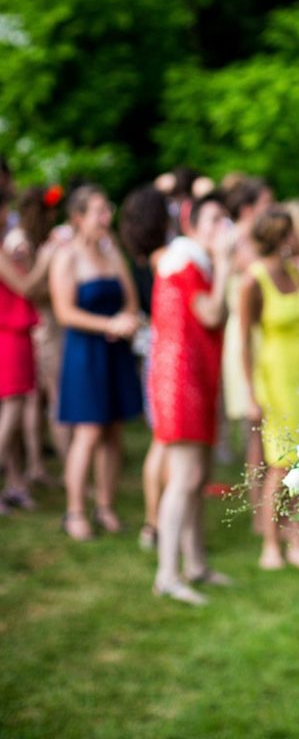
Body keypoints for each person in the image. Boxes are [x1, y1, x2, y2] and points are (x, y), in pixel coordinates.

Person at [150, 194, 235, 605]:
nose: (224, 227)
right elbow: (212, 314)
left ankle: (196, 564)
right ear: (193, 225)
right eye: (215, 219)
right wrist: (224, 263)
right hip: (180, 380)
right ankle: (167, 574)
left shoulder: (194, 263)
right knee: (183, 477)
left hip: (196, 377)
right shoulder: (184, 263)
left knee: (197, 477)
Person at [51, 185, 144, 541]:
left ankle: (105, 506)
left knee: (114, 430)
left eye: (108, 210)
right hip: (85, 353)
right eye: (99, 212)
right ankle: (74, 511)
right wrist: (109, 324)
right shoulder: (67, 257)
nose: (107, 218)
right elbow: (64, 312)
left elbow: (131, 300)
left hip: (115, 351)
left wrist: (127, 319)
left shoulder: (112, 253)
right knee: (88, 432)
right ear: (78, 218)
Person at [241, 208, 299, 571]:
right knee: (279, 464)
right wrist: (250, 393)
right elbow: (244, 342)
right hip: (276, 377)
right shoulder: (254, 280)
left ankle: (297, 541)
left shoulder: (297, 273)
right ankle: (270, 544)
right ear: (282, 237)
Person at [118, 185, 172, 552]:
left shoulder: (134, 259)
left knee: (161, 439)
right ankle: (156, 520)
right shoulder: (162, 261)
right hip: (165, 351)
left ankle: (158, 519)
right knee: (164, 441)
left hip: (154, 350)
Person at [0, 199, 61, 512]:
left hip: (16, 335)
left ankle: (16, 484)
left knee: (14, 409)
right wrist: (46, 260)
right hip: (10, 336)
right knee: (13, 408)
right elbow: (24, 287)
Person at [223, 177, 272, 531]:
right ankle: (258, 510)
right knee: (256, 431)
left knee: (270, 428)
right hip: (244, 337)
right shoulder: (238, 242)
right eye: (267, 203)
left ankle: (271, 504)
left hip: (265, 336)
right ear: (248, 208)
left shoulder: (258, 241)